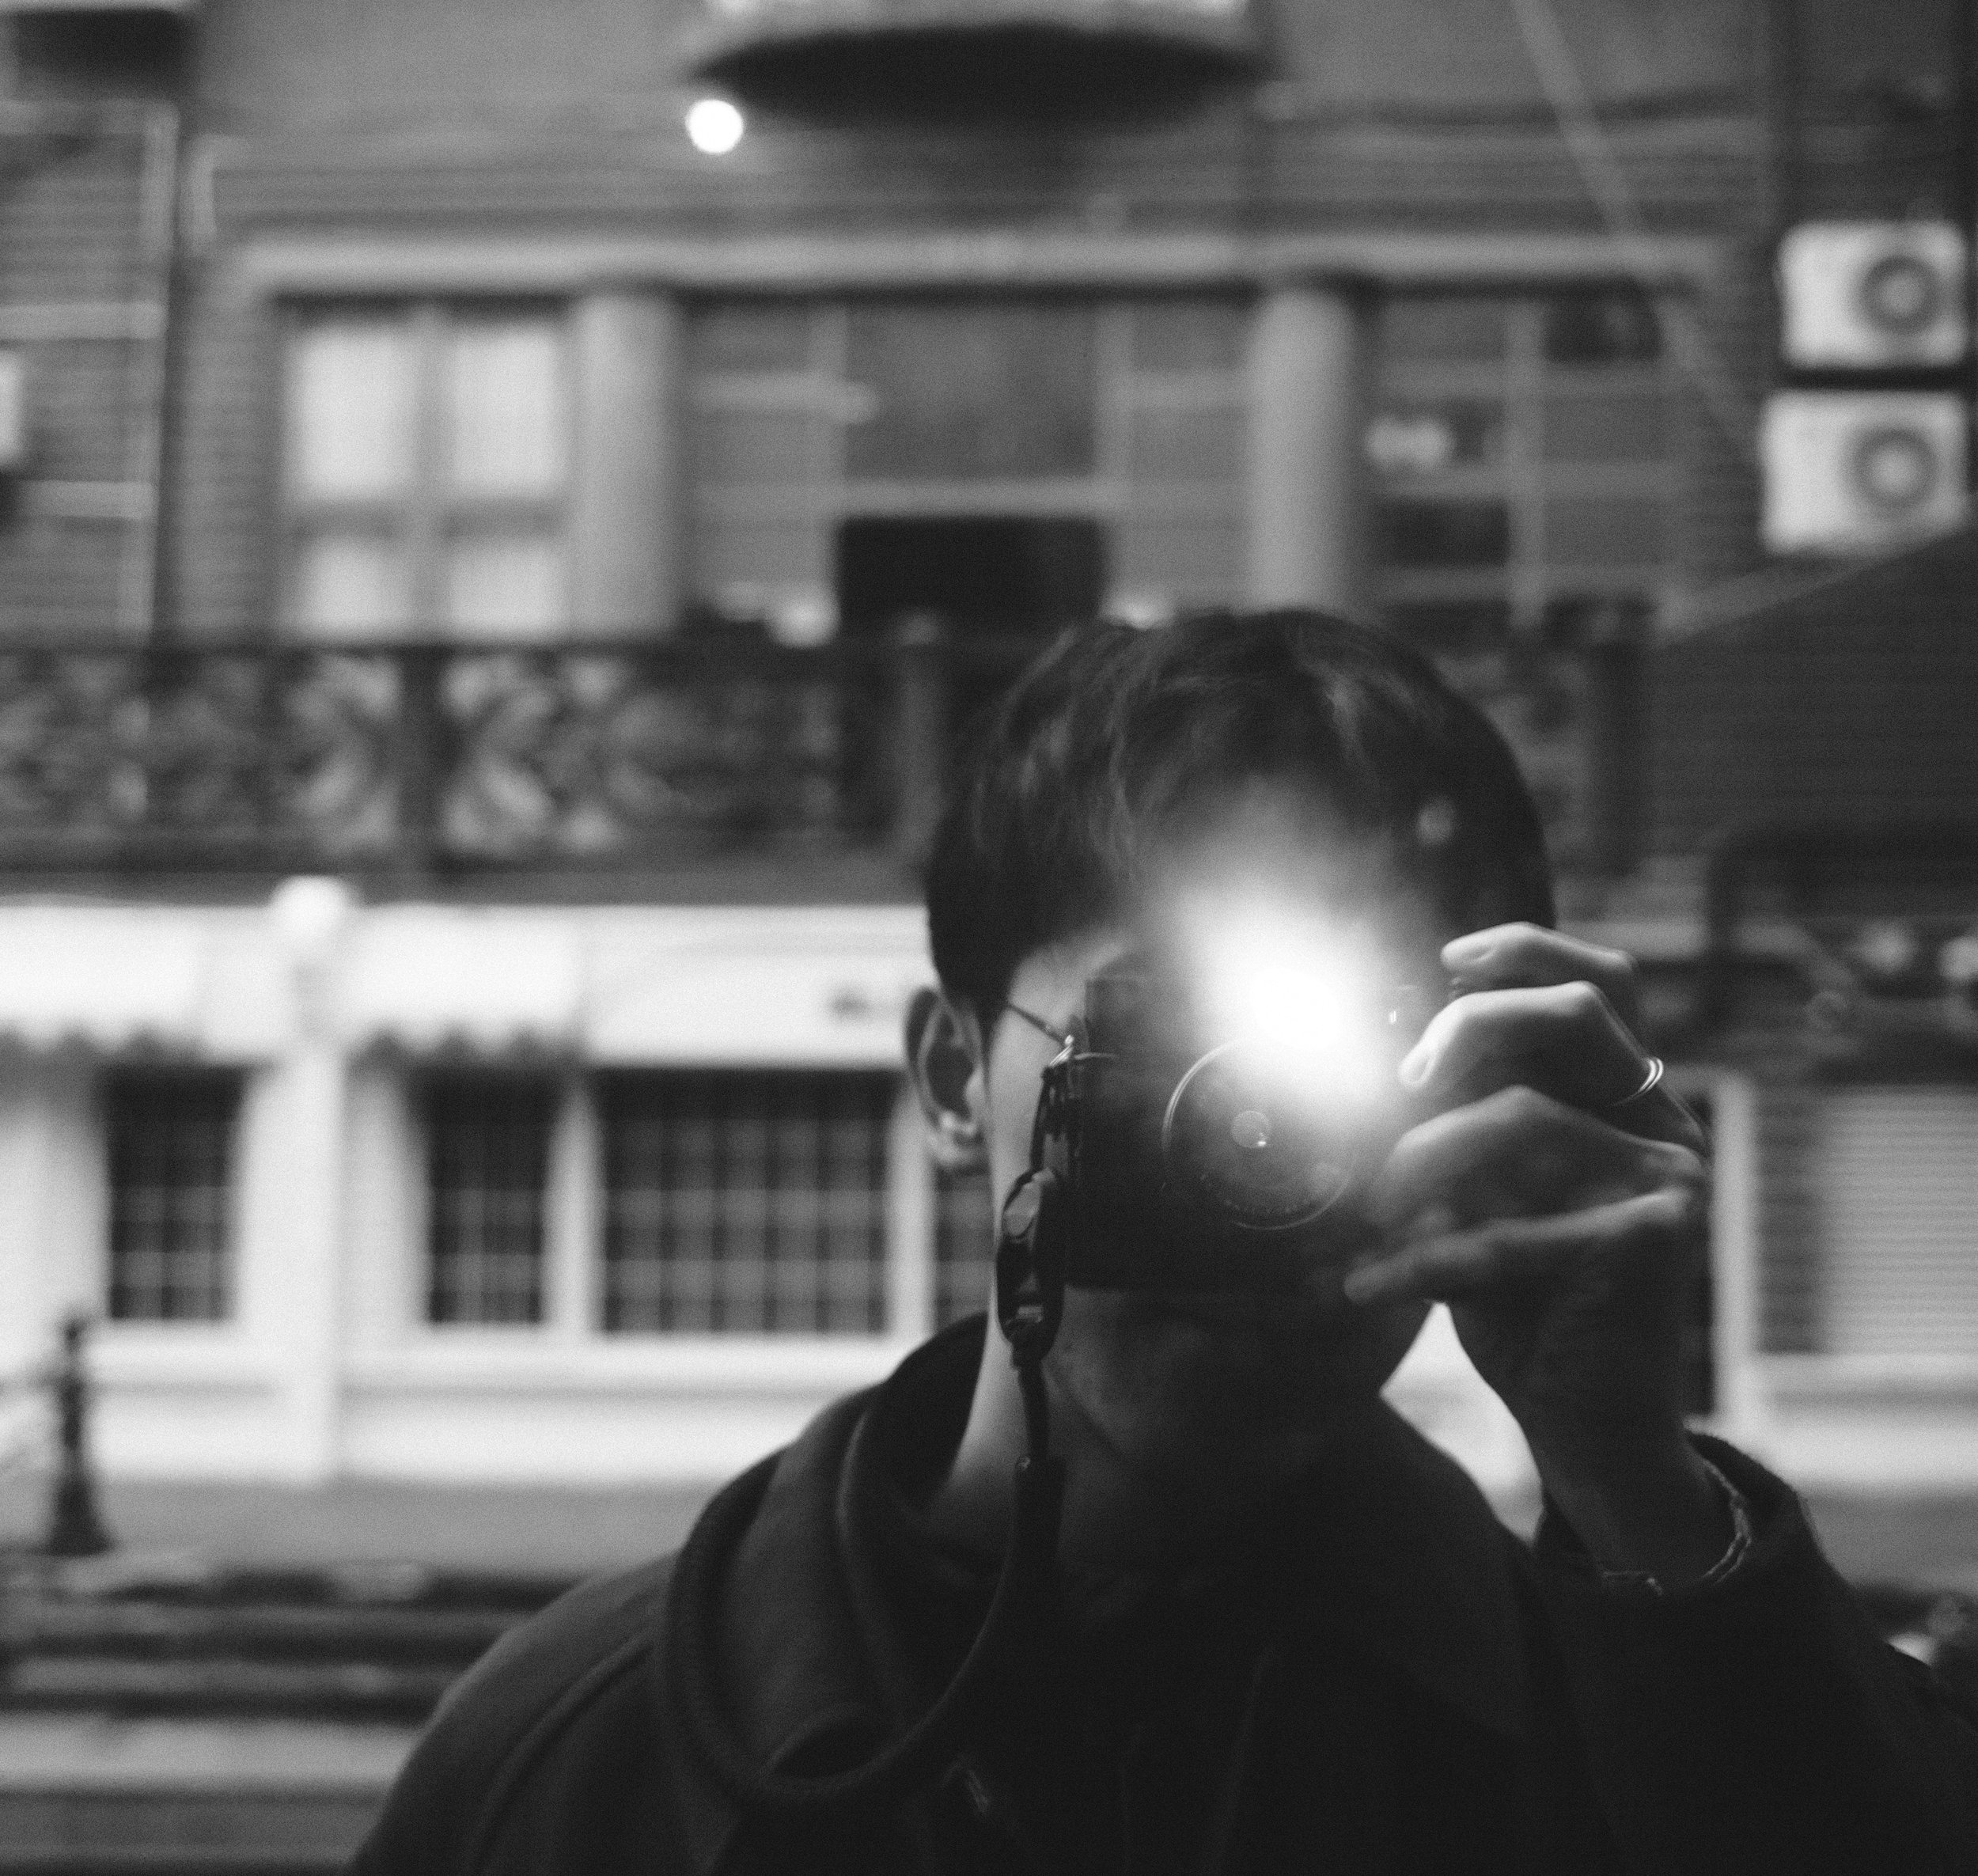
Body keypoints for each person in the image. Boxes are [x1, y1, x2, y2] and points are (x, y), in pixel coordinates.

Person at [349, 611, 1978, 1876]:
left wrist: (1633, 1475)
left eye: (1340, 1052)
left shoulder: (1625, 1713)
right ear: (946, 1073)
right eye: (1166, 1044)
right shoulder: (582, 1744)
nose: (1249, 1136)